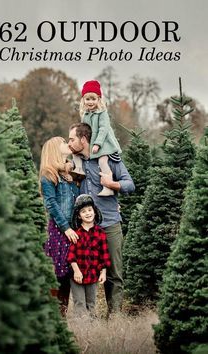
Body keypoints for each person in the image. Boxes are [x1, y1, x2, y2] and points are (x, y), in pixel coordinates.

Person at [68, 123, 135, 315]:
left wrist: (111, 184)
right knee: (82, 270)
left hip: (110, 224)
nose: (70, 143)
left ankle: (114, 317)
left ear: (83, 139)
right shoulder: (76, 163)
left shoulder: (109, 159)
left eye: (72, 139)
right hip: (85, 229)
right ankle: (87, 316)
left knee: (114, 273)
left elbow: (130, 184)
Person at [39, 137, 79, 316]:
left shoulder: (68, 174)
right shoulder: (49, 174)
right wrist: (66, 228)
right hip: (59, 231)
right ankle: (54, 314)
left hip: (73, 229)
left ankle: (62, 313)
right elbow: (51, 204)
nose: (67, 144)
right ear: (55, 149)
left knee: (69, 272)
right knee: (57, 273)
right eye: (64, 143)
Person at [74, 80, 122, 196]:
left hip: (104, 143)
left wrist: (97, 144)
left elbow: (103, 129)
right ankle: (79, 170)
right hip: (92, 144)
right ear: (83, 100)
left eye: (93, 99)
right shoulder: (85, 115)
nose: (90, 102)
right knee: (76, 154)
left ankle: (108, 186)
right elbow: (84, 130)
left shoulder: (102, 113)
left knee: (102, 161)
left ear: (98, 99)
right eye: (88, 99)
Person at [67, 194, 111, 317]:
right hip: (77, 276)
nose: (87, 213)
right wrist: (76, 271)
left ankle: (92, 330)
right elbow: (71, 256)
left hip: (93, 274)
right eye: (83, 211)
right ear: (79, 216)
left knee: (91, 303)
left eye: (90, 210)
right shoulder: (76, 233)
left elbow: (105, 255)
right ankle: (81, 330)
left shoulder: (100, 233)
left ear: (95, 212)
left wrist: (103, 272)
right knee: (79, 303)